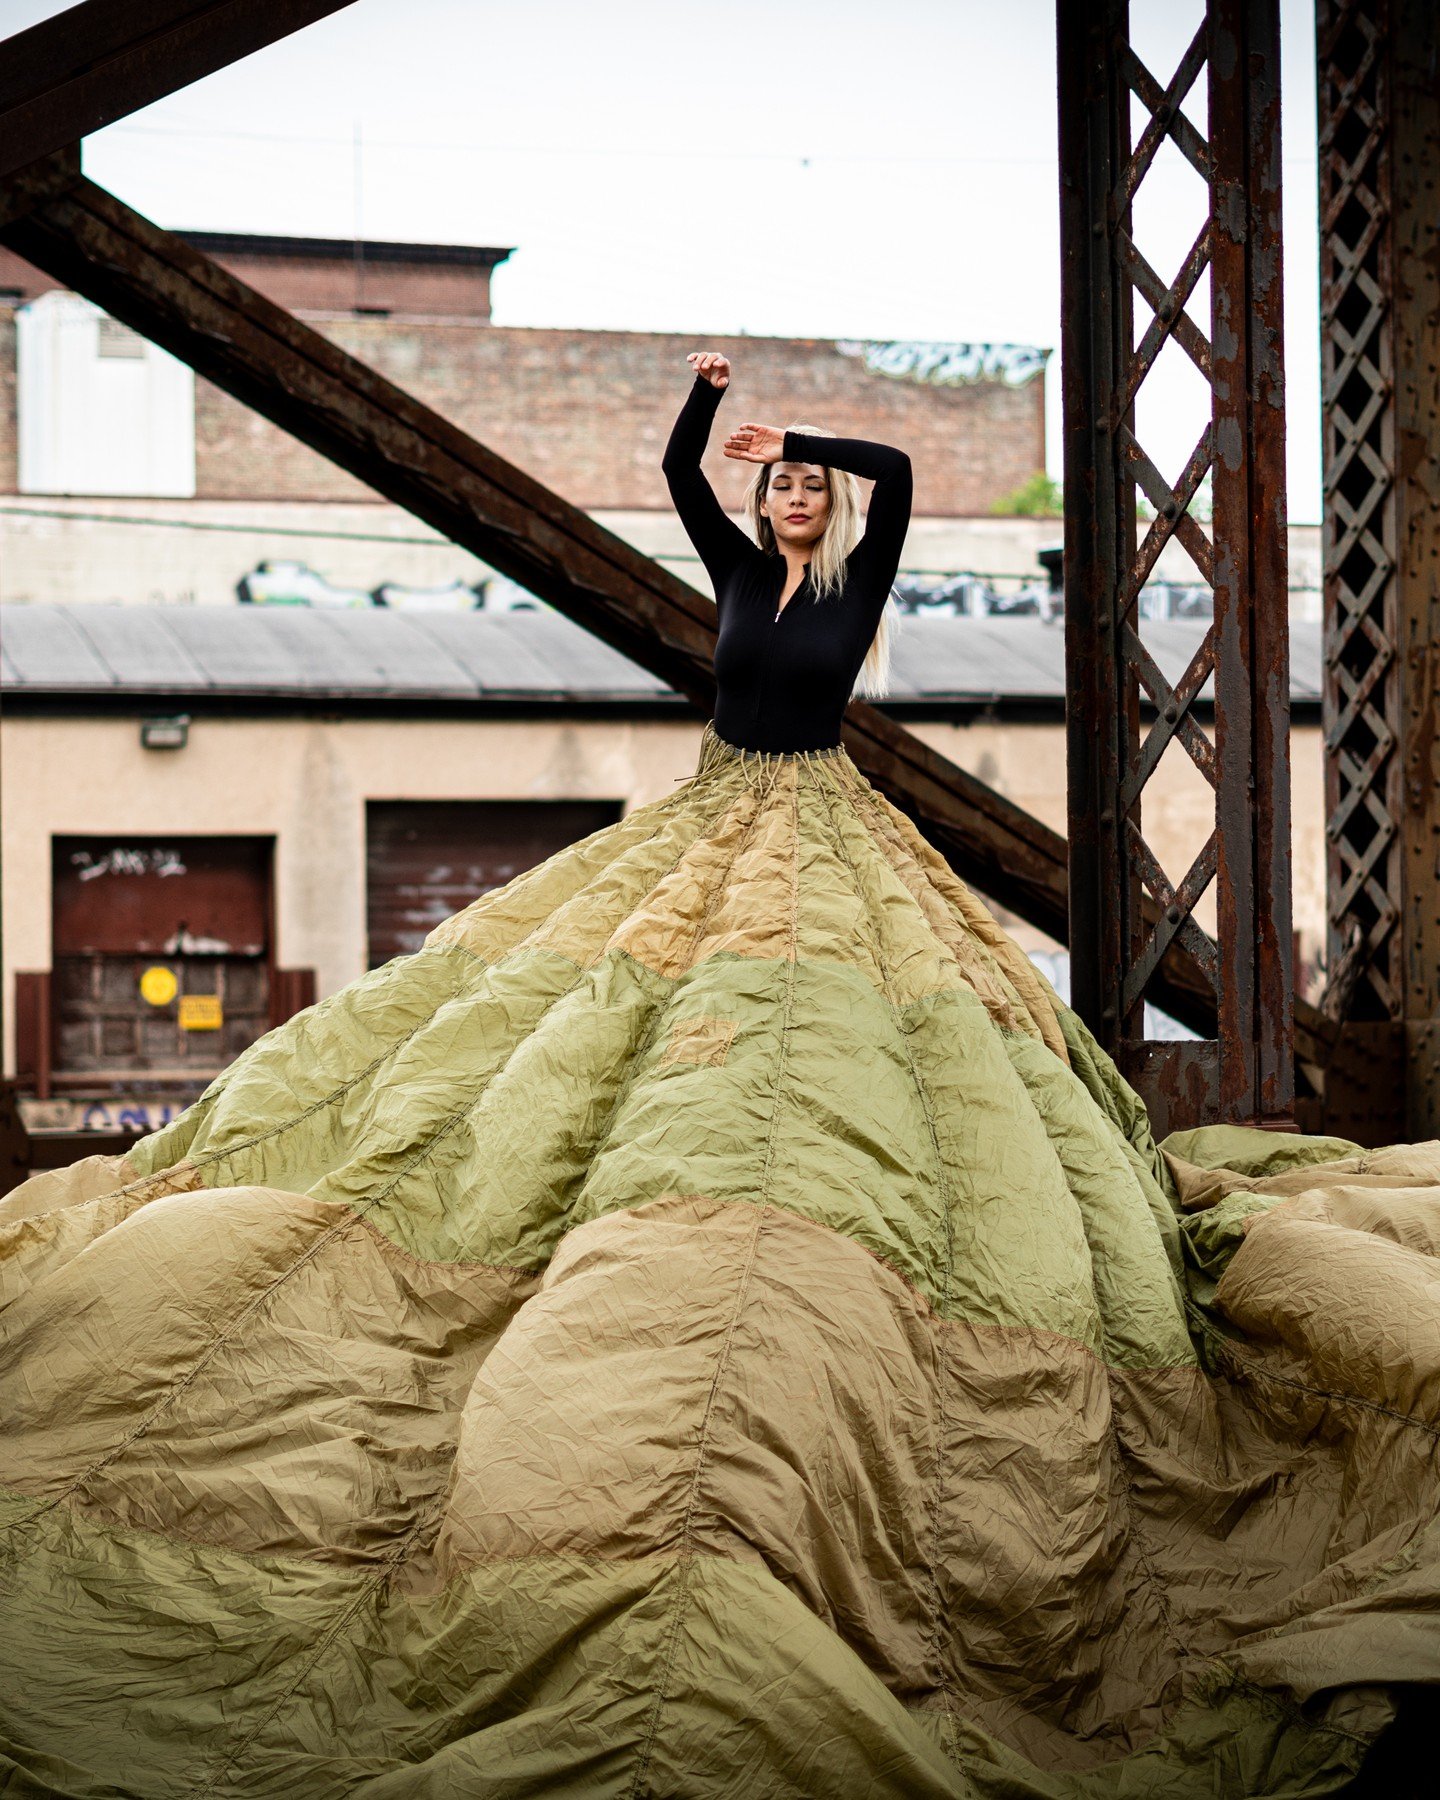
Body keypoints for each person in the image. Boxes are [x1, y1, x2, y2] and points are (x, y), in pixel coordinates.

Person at [0, 353, 1434, 1798]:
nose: (799, 496)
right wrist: (708, 413)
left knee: (839, 1066)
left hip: (826, 835)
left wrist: (806, 431)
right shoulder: (738, 564)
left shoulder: (851, 591)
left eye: (811, 489)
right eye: (784, 486)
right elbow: (685, 479)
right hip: (710, 818)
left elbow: (904, 474)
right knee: (555, 1033)